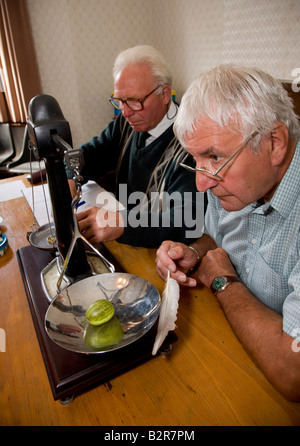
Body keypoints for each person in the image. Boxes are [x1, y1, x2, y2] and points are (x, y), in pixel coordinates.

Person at [155, 64, 300, 401]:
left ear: (275, 143)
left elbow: (293, 374)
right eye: (195, 161)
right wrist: (193, 252)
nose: (201, 183)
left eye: (214, 157)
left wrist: (223, 283)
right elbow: (214, 240)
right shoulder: (237, 183)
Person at [66, 45, 204, 248]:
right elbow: (88, 155)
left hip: (158, 252)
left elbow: (186, 220)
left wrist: (122, 222)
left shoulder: (190, 144)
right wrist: (69, 175)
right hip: (125, 242)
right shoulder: (126, 124)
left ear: (165, 94)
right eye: (120, 100)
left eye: (134, 101)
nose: (125, 112)